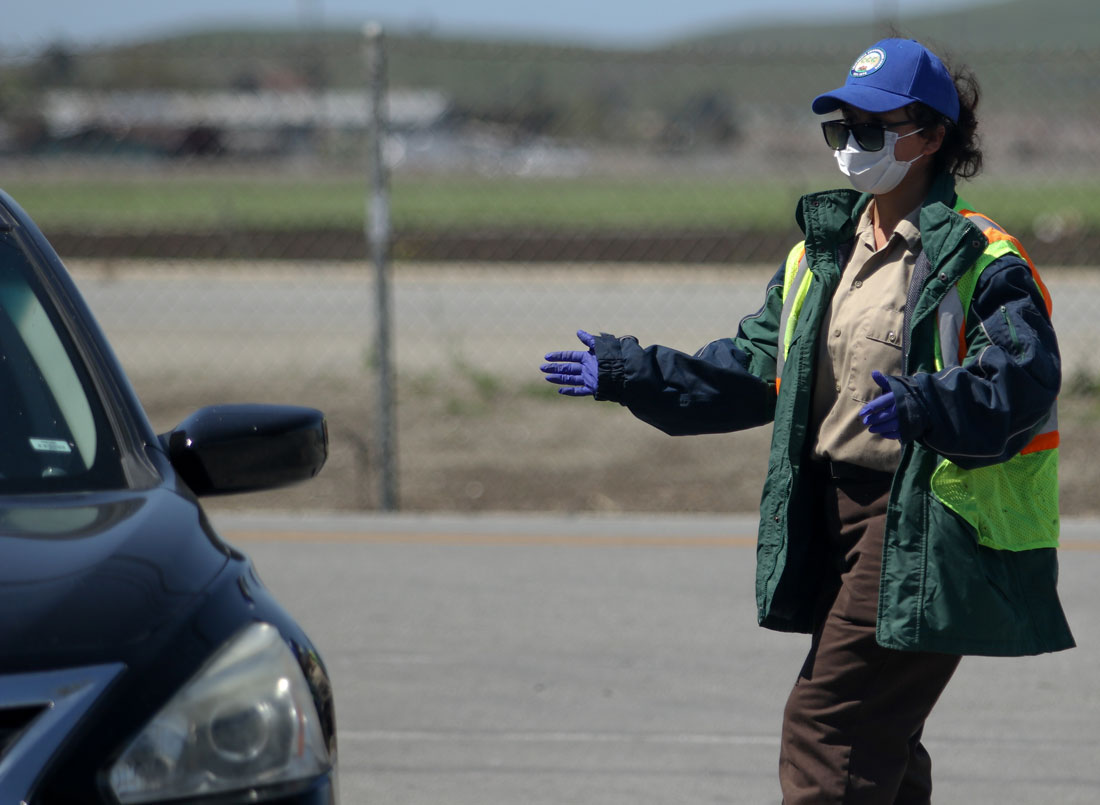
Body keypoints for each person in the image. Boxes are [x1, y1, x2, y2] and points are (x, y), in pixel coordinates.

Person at [539, 37, 1074, 804]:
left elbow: (1022, 380)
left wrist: (929, 402)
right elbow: (752, 371)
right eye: (840, 130)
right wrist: (634, 373)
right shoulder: (819, 257)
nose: (851, 147)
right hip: (832, 515)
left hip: (921, 522)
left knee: (829, 729)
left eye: (871, 129)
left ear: (931, 136)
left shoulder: (981, 259)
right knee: (880, 742)